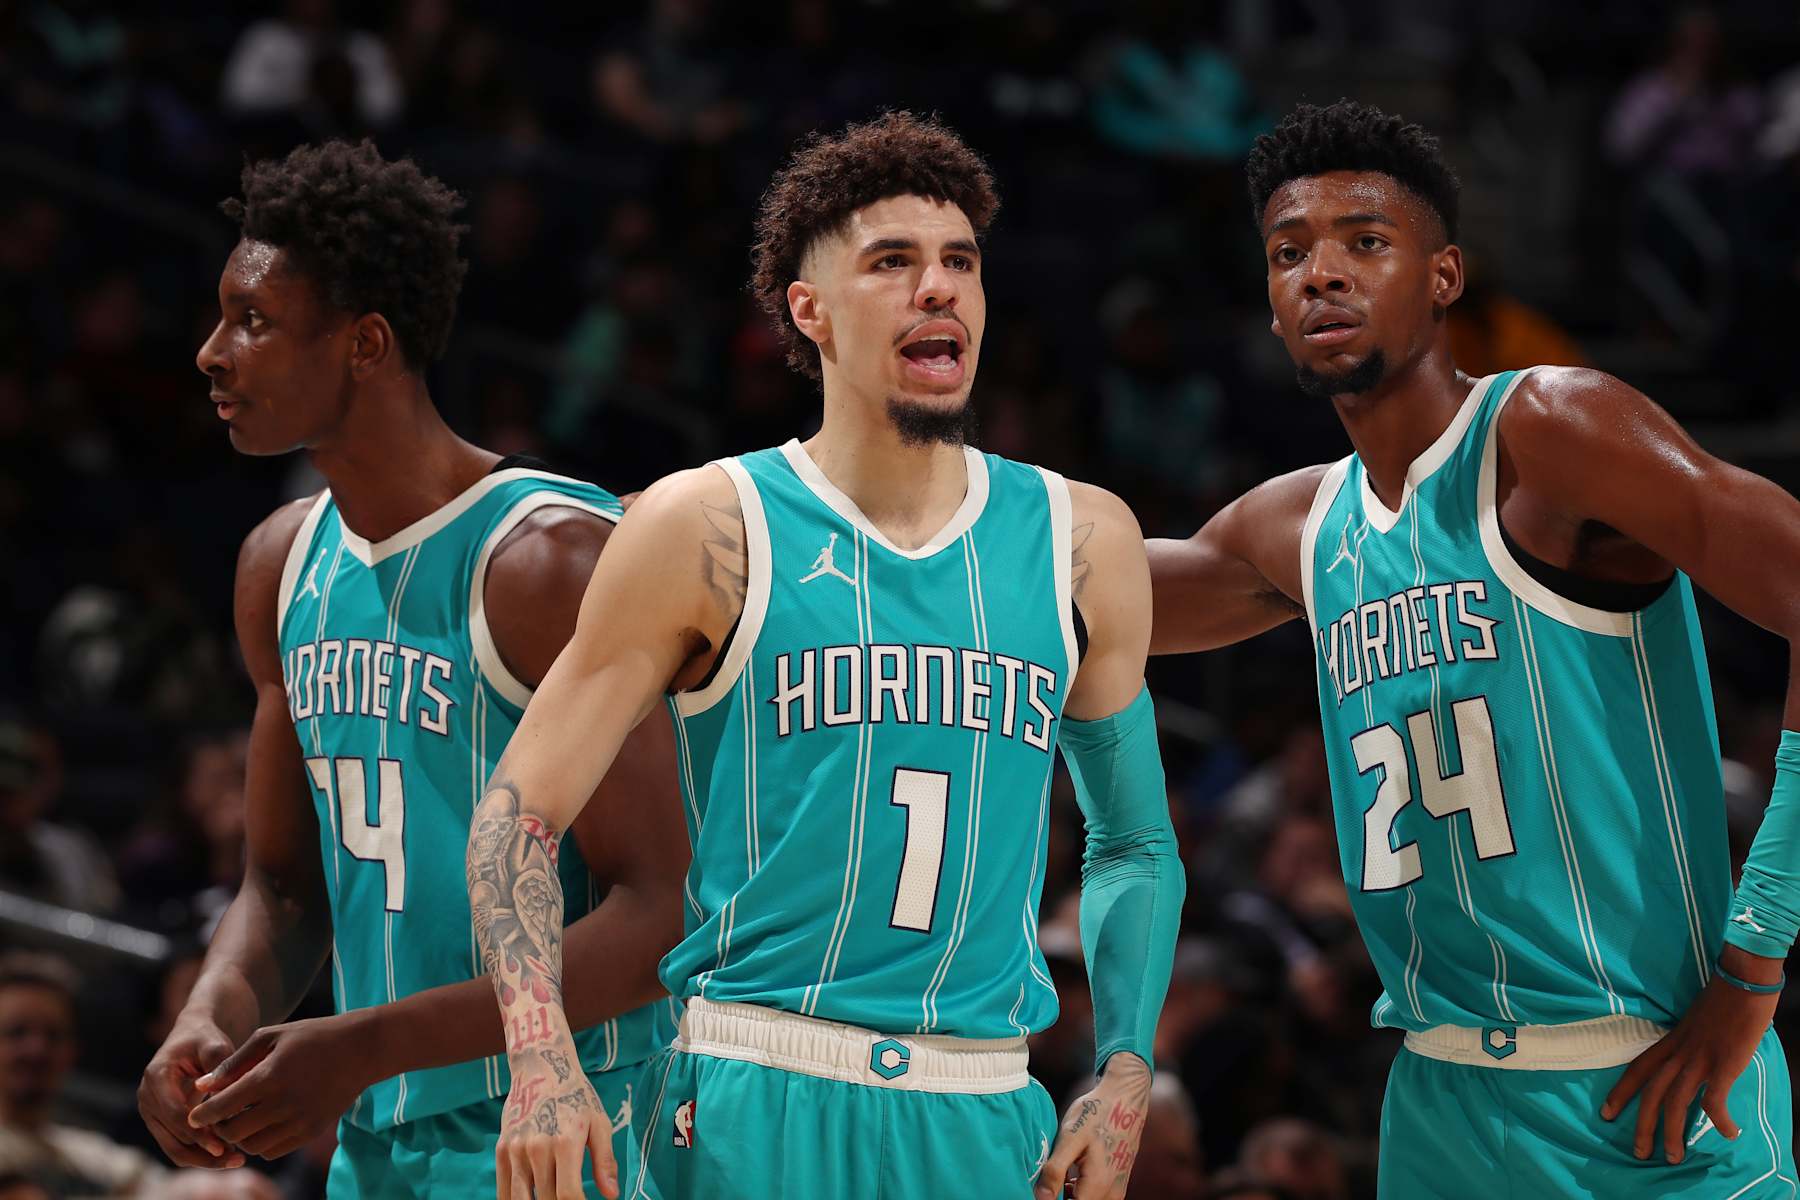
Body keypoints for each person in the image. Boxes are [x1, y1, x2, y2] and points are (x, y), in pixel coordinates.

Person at [464, 112, 1184, 1200]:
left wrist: (1126, 1062)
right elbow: (515, 818)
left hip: (981, 1099)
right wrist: (538, 1057)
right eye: (891, 263)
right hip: (756, 1081)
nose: (936, 289)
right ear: (812, 311)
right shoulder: (707, 524)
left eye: (959, 264)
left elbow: (1133, 840)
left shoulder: (1085, 539)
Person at [1148, 99, 1800, 1195]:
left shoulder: (1549, 428)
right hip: (1440, 1100)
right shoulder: (1298, 527)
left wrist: (1757, 958)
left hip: (1644, 1083)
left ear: (1443, 277)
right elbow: (1061, 596)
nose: (1322, 274)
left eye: (1367, 242)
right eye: (1289, 253)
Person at [136, 140, 688, 1200]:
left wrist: (360, 1046)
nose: (211, 352)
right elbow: (286, 889)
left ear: (366, 343)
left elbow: (658, 912)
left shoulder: (550, 560)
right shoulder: (279, 566)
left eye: (253, 320)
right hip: (382, 1142)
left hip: (576, 1122)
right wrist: (212, 1010)